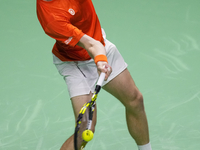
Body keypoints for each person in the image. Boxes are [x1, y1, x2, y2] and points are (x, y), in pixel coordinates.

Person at [36, 0, 152, 150]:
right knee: (85, 127)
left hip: (100, 43)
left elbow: (97, 44)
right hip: (74, 62)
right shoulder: (52, 19)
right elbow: (91, 45)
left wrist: (100, 59)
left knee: (135, 100)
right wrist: (101, 61)